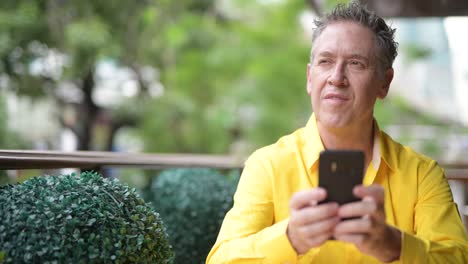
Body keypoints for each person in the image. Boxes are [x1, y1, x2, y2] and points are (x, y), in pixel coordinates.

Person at [206, 2, 468, 263]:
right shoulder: (267, 166)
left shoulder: (423, 175)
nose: (336, 77)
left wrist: (393, 245)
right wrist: (290, 239)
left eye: (355, 63)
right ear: (310, 78)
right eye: (325, 61)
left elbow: (457, 259)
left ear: (384, 82)